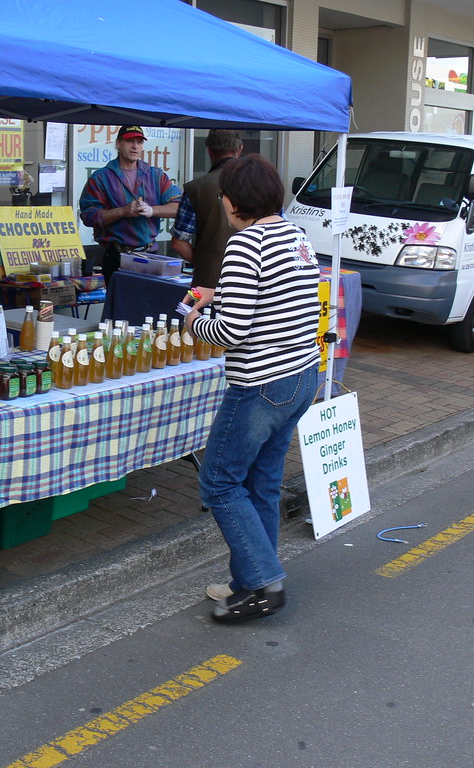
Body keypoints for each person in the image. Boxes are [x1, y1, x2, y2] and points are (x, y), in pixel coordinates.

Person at [183, 154, 321, 624]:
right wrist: (216, 295)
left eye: (223, 195)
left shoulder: (246, 243)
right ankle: (250, 579)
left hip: (261, 383)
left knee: (219, 481)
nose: (222, 202)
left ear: (234, 200)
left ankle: (264, 582)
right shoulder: (296, 236)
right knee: (262, 481)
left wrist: (194, 320)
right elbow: (276, 298)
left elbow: (230, 332)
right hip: (302, 374)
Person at [78, 126, 181, 283]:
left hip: (150, 255)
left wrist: (151, 210)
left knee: (149, 299)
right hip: (116, 256)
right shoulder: (101, 178)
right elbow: (88, 216)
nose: (135, 146)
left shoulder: (156, 175)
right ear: (118, 143)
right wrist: (123, 211)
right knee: (119, 299)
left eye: (139, 142)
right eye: (130, 141)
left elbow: (179, 207)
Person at [170, 129, 243, 306]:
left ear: (209, 150)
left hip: (207, 284)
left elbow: (179, 243)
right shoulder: (262, 185)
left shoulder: (196, 189)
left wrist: (206, 261)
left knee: (202, 324)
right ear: (240, 149)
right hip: (254, 284)